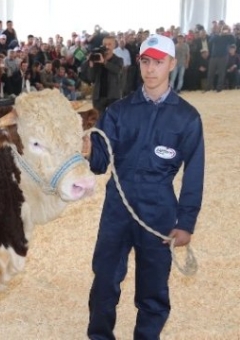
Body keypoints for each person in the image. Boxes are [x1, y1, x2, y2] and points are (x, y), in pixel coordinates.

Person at [85, 34, 205, 339]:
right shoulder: (118, 111)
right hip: (117, 207)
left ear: (172, 64)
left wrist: (186, 222)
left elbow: (195, 173)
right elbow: (100, 164)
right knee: (104, 282)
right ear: (139, 63)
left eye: (159, 62)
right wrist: (87, 149)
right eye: (146, 61)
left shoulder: (187, 117)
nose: (151, 69)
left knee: (153, 288)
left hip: (159, 211)